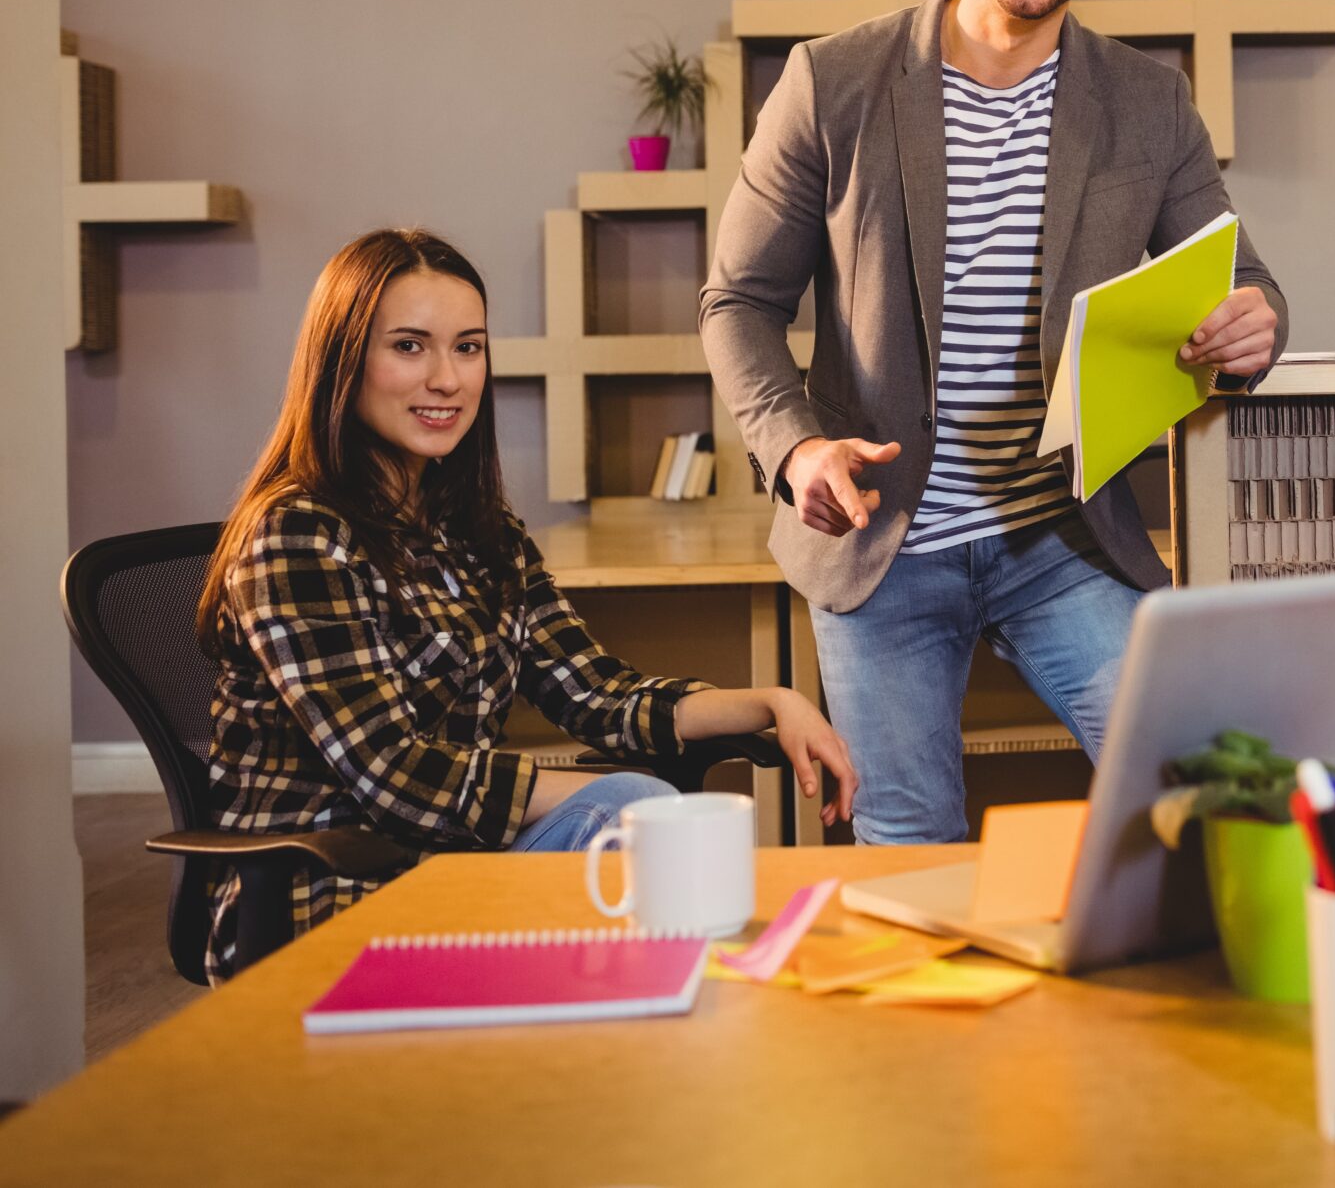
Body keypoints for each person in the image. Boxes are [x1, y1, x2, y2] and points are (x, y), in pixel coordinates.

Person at [702, 0, 1288, 844]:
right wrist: (795, 453)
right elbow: (736, 303)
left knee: (1210, 800)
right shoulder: (831, 82)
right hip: (882, 547)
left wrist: (1253, 321)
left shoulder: (1148, 103)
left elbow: (1241, 278)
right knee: (903, 853)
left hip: (1060, 538)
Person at [199, 229, 854, 980]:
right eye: (410, 347)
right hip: (317, 898)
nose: (447, 378)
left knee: (638, 836)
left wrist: (769, 702)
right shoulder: (295, 533)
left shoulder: (480, 532)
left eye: (469, 347)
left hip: (451, 867)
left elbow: (595, 692)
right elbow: (395, 772)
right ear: (343, 361)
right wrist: (623, 801)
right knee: (631, 825)